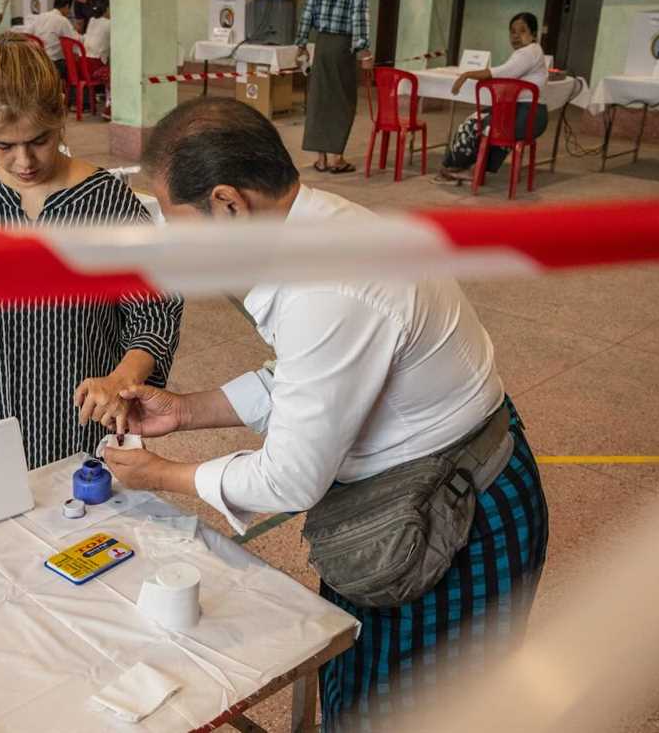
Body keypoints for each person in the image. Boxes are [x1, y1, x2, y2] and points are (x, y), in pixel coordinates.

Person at [105, 97, 548, 732]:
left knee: (420, 711)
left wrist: (163, 475)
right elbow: (304, 375)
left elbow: (291, 479)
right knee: (368, 690)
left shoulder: (329, 287)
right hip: (416, 497)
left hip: (453, 516)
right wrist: (185, 411)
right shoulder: (319, 225)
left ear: (228, 205)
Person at [0, 34, 182, 466]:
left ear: (61, 118)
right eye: (4, 146)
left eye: (39, 140)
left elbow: (154, 312)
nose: (24, 161)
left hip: (80, 428)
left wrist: (121, 379)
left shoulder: (104, 203)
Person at [434, 12, 550, 184]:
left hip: (528, 116)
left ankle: (454, 168)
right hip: (524, 113)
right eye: (512, 31)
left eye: (522, 31)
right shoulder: (531, 51)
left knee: (474, 125)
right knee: (480, 120)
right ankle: (473, 169)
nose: (516, 36)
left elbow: (502, 73)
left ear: (533, 35)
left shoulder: (528, 53)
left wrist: (467, 74)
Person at [295, 0, 372, 174]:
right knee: (342, 100)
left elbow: (307, 12)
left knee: (320, 98)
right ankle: (337, 158)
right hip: (342, 46)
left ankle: (321, 159)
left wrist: (301, 43)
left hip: (322, 43)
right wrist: (364, 50)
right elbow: (358, 17)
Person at [30, 0, 82, 81]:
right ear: (67, 6)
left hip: (37, 62)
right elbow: (74, 41)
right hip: (54, 64)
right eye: (69, 9)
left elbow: (30, 34)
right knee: (75, 65)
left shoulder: (40, 17)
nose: (69, 12)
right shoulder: (62, 20)